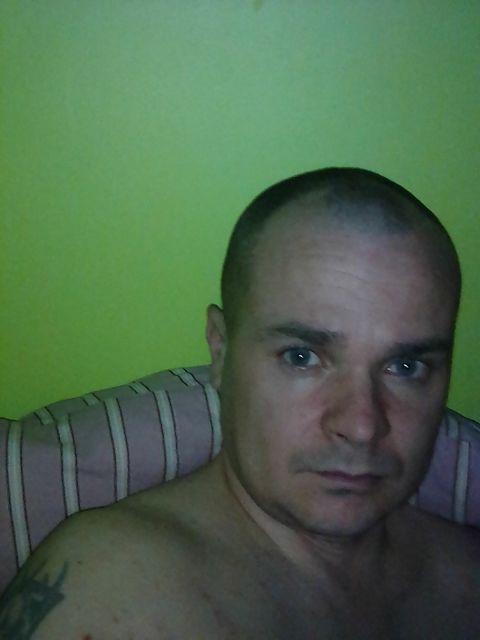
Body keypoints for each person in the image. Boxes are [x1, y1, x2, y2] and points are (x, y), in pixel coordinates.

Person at [0, 168, 479, 639]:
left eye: (406, 367)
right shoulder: (111, 590)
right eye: (301, 357)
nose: (362, 426)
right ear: (221, 350)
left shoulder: (464, 576)